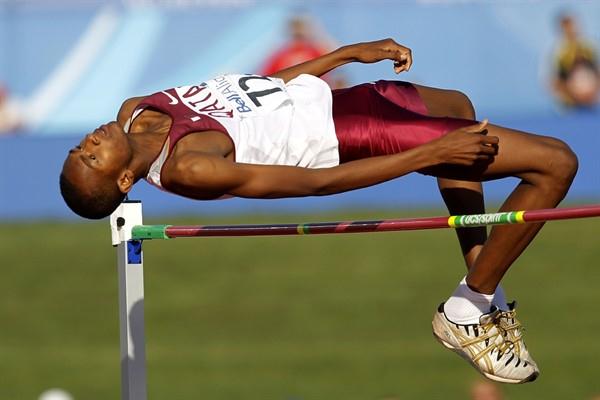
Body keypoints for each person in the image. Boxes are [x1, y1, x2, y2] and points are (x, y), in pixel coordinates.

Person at [60, 38, 578, 384]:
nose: (89, 141)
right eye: (91, 157)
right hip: (356, 136)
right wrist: (429, 156)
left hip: (347, 101)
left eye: (79, 147)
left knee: (458, 104)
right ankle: (470, 307)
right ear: (124, 181)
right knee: (555, 163)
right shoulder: (191, 169)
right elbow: (318, 182)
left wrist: (344, 55)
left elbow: (254, 91)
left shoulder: (136, 111)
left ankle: (481, 287)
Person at [551, 13, 600, 108]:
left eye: (573, 27)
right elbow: (553, 82)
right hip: (569, 108)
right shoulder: (557, 52)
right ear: (561, 30)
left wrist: (591, 93)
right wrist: (574, 95)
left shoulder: (590, 47)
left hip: (593, 104)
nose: (571, 31)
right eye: (567, 28)